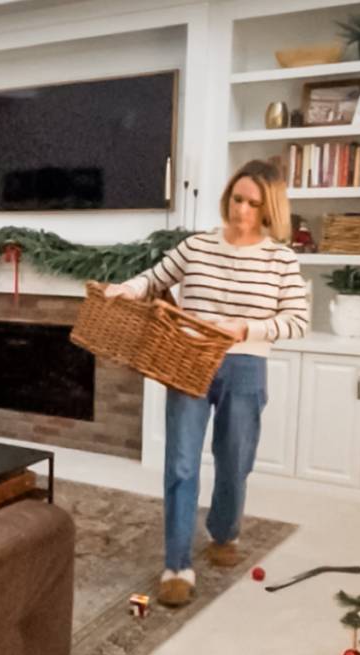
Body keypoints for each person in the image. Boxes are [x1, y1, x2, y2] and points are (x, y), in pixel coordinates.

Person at [105, 160, 308, 608]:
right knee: (180, 464)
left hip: (245, 366)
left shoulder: (281, 259)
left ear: (268, 207)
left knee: (234, 461)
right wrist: (126, 289)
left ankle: (224, 531)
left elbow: (297, 321)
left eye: (254, 204)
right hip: (188, 364)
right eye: (237, 199)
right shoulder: (196, 246)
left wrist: (246, 330)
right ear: (227, 198)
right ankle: (177, 564)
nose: (242, 211)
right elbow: (154, 279)